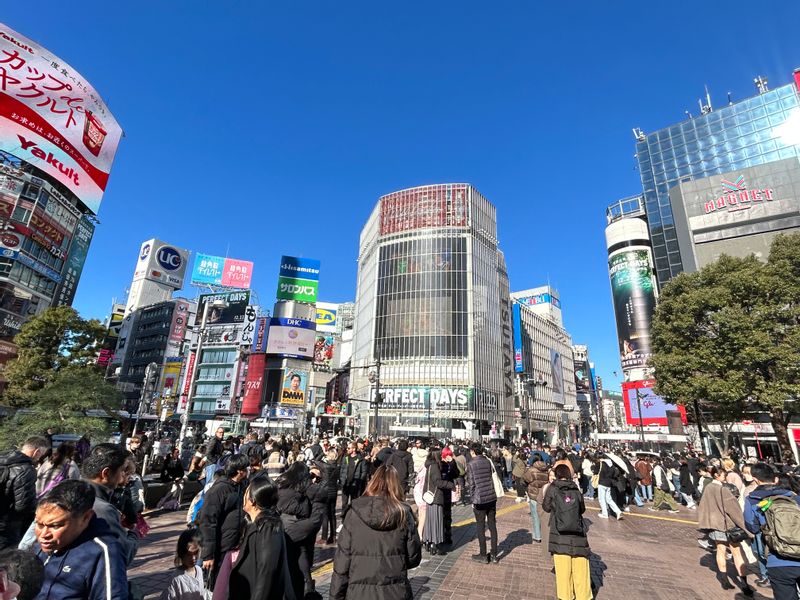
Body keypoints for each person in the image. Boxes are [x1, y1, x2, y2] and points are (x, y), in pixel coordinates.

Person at [330, 465, 421, 600]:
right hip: (395, 591)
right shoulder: (404, 514)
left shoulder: (354, 513)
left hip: (358, 592)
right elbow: (413, 558)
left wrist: (336, 596)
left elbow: (341, 564)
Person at [33, 480, 128, 600]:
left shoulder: (103, 552)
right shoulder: (41, 544)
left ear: (86, 517)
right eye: (39, 524)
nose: (43, 534)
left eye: (55, 525)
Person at [221, 475, 294, 600]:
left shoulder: (268, 528)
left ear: (253, 500)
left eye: (247, 492)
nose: (244, 495)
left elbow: (267, 571)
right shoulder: (258, 524)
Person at [744, 462, 800, 597]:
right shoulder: (794, 497)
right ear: (775, 479)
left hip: (778, 559)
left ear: (756, 479)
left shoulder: (752, 500)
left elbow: (752, 527)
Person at [697, 465, 754, 595]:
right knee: (737, 553)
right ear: (718, 475)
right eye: (723, 475)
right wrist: (746, 529)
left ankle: (724, 580)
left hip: (715, 525)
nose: (726, 477)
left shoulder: (708, 488)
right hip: (729, 526)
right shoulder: (724, 489)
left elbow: (703, 506)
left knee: (720, 551)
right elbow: (734, 511)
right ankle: (744, 584)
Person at [81, 443, 140, 566]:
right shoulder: (102, 509)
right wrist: (134, 533)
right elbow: (123, 554)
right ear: (106, 473)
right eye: (123, 470)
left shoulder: (64, 491)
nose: (124, 476)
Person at [197, 454, 249, 588]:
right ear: (239, 471)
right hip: (221, 545)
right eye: (246, 468)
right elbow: (207, 522)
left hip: (236, 543)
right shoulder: (220, 489)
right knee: (218, 583)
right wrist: (208, 554)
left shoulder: (241, 485)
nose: (248, 471)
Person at [542, 464, 592, 600]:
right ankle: (583, 596)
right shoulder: (575, 488)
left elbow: (545, 507)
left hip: (559, 534)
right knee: (581, 571)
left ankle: (566, 597)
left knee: (563, 573)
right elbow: (582, 509)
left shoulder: (553, 488)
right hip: (578, 535)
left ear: (557, 475)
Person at [276, 463, 317, 599]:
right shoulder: (299, 493)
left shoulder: (280, 485)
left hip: (281, 529)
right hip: (296, 529)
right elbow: (306, 511)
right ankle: (307, 585)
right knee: (301, 557)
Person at [0, 436, 49, 550]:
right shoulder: (26, 470)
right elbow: (23, 506)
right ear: (37, 452)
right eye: (42, 455)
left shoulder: (2, 459)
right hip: (6, 527)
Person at [466, 443, 498, 563]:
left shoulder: (471, 464)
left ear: (473, 451)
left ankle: (483, 554)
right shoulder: (487, 461)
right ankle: (494, 554)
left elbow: (471, 484)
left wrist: (472, 500)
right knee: (492, 525)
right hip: (491, 496)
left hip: (479, 499)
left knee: (480, 526)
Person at [421, 449, 454, 556]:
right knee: (437, 521)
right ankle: (436, 545)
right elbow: (438, 482)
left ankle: (428, 542)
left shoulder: (429, 465)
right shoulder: (435, 466)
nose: (441, 456)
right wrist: (450, 485)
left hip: (429, 497)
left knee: (430, 521)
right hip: (436, 497)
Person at [160, 528, 208, 600]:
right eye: (188, 555)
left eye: (196, 553)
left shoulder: (199, 570)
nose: (193, 558)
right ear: (181, 553)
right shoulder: (176, 579)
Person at [315, 449, 340, 545]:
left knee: (325, 515)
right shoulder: (338, 466)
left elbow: (316, 460)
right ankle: (333, 536)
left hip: (325, 491)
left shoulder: (324, 466)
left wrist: (322, 453)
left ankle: (324, 537)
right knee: (332, 514)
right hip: (333, 491)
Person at [523, 456, 550, 543]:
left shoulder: (532, 470)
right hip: (544, 494)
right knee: (543, 516)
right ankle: (544, 534)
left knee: (535, 516)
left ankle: (537, 536)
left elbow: (524, 479)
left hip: (534, 495)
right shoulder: (546, 469)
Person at [339, 442, 367, 520]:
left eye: (349, 448)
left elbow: (364, 472)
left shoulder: (361, 459)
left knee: (354, 503)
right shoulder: (346, 458)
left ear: (354, 449)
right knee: (344, 504)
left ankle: (352, 519)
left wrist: (359, 481)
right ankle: (343, 519)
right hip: (346, 484)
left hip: (355, 485)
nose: (347, 449)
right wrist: (341, 480)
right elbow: (342, 469)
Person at [596, 455, 623, 520]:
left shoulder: (602, 464)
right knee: (609, 499)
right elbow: (614, 474)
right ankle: (618, 511)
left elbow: (596, 471)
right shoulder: (612, 465)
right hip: (608, 483)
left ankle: (605, 514)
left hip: (602, 482)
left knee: (601, 499)